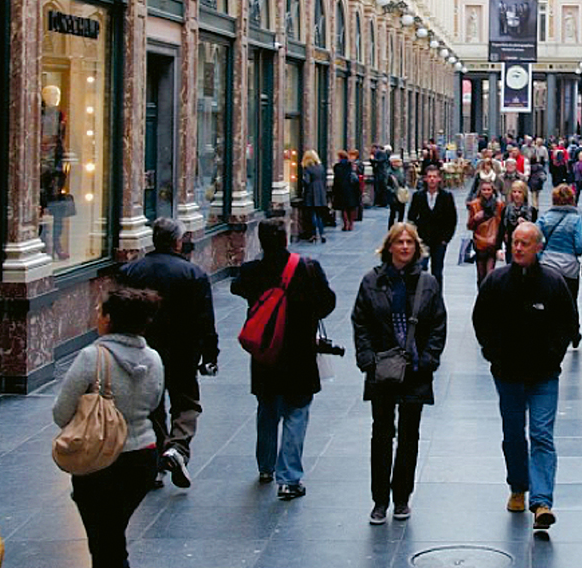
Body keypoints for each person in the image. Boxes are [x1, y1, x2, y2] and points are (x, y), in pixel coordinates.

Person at [53, 288, 164, 568]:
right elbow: (153, 404)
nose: (97, 316)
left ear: (110, 319)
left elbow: (61, 413)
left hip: (99, 463)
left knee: (107, 547)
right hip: (142, 458)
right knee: (107, 543)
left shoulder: (91, 357)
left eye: (101, 311)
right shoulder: (153, 358)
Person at [472, 222, 579, 530]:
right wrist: (492, 352)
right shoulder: (497, 281)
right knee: (514, 433)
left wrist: (554, 353)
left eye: (525, 243)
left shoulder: (552, 283)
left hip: (544, 374)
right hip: (507, 373)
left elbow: (568, 322)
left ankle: (542, 501)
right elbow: (481, 320)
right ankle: (518, 486)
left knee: (542, 435)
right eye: (515, 242)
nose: (518, 248)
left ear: (538, 247)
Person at [231, 218, 336, 500]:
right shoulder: (308, 268)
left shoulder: (252, 271)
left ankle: (265, 467)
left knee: (267, 409)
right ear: (286, 239)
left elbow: (236, 288)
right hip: (299, 353)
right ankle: (289, 478)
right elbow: (327, 303)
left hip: (266, 354)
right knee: (296, 411)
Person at [351, 223, 448, 524]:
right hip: (381, 369)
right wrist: (367, 359)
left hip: (415, 370)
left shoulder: (427, 283)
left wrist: (429, 359)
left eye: (409, 242)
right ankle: (379, 500)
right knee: (381, 433)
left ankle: (402, 497)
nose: (405, 247)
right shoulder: (372, 281)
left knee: (409, 435)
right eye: (399, 242)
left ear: (416, 248)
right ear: (389, 246)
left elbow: (437, 324)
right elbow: (361, 321)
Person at [118, 217, 218, 490]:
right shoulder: (193, 274)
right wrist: (210, 352)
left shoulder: (131, 271)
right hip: (183, 350)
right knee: (185, 402)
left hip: (143, 349)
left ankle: (156, 462)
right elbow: (204, 318)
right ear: (177, 242)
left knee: (151, 405)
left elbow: (118, 313)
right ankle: (177, 449)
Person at [537, 184, 582, 310]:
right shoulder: (576, 220)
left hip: (547, 265)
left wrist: (541, 255)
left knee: (548, 303)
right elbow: (580, 245)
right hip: (569, 267)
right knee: (570, 303)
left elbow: (535, 240)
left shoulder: (545, 218)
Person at [407, 165, 457, 286]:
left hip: (439, 240)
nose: (432, 179)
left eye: (435, 177)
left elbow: (452, 219)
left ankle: (437, 298)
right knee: (420, 268)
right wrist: (415, 236)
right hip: (423, 240)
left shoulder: (446, 197)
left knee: (437, 271)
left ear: (439, 179)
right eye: (429, 177)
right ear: (425, 179)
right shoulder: (418, 196)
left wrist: (446, 239)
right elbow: (411, 217)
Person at [467, 180, 504, 288]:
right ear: (480, 191)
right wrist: (475, 218)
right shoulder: (475, 205)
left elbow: (502, 224)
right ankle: (481, 297)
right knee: (481, 275)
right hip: (479, 243)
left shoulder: (499, 205)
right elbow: (469, 226)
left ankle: (488, 298)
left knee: (489, 274)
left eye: (489, 190)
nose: (486, 192)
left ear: (493, 191)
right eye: (484, 190)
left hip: (493, 242)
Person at [501, 180, 538, 261]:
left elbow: (536, 231)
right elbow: (502, 229)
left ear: (524, 194)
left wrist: (527, 224)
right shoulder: (506, 209)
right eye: (514, 192)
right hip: (511, 247)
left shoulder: (531, 210)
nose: (516, 195)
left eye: (519, 192)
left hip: (526, 247)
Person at [301, 150, 328, 243]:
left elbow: (307, 181)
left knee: (312, 214)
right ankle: (322, 233)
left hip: (311, 193)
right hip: (320, 192)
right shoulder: (320, 167)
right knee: (319, 215)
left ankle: (313, 234)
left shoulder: (308, 168)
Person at [332, 150, 361, 231]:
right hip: (352, 188)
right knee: (351, 207)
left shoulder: (337, 166)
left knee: (343, 208)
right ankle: (351, 224)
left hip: (341, 189)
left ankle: (346, 224)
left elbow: (336, 179)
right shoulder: (351, 165)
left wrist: (334, 190)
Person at [385, 155, 407, 228]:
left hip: (401, 194)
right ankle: (391, 229)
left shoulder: (401, 170)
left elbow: (403, 181)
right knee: (393, 213)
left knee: (401, 213)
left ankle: (399, 228)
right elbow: (386, 185)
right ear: (393, 163)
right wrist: (393, 191)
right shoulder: (389, 172)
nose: (399, 163)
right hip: (393, 196)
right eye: (397, 161)